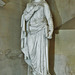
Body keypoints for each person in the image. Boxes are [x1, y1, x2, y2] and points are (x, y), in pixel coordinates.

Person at [21, 0, 54, 75]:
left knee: (40, 53)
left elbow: (49, 18)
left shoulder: (44, 4)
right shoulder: (29, 4)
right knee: (31, 52)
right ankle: (35, 70)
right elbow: (25, 18)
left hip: (41, 31)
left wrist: (51, 30)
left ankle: (40, 72)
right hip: (31, 31)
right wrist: (34, 9)